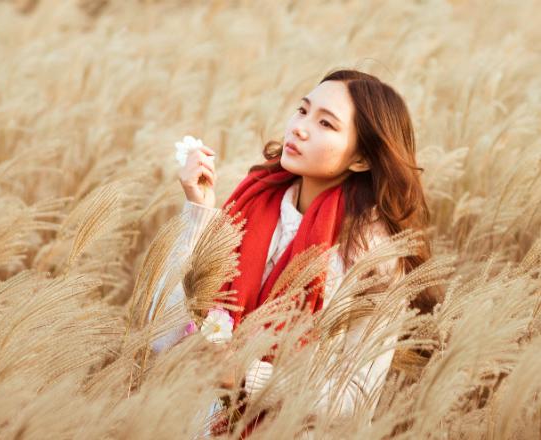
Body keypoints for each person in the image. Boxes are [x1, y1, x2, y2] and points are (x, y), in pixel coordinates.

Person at [147, 69, 442, 436]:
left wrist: (246, 374)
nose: (300, 128)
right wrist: (199, 212)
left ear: (362, 160)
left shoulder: (370, 254)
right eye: (302, 111)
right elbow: (162, 333)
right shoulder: (249, 209)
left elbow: (355, 400)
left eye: (326, 124)